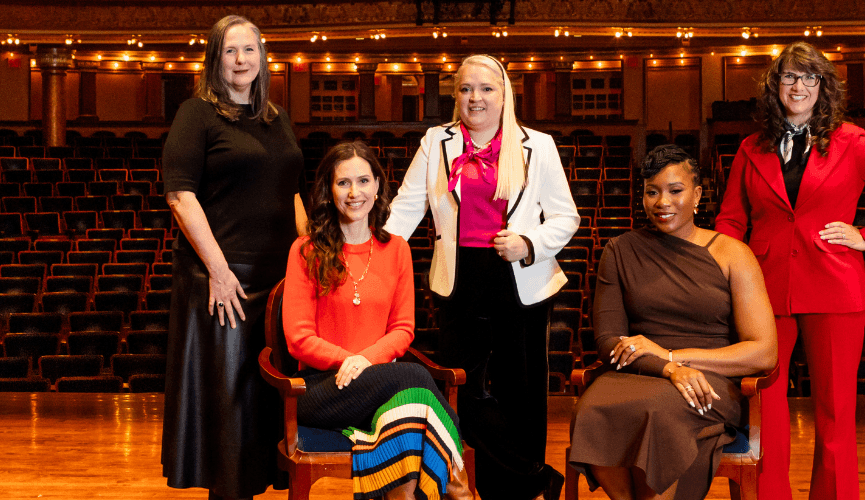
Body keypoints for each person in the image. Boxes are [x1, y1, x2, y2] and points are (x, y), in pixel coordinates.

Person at [715, 42, 865, 500]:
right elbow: (732, 217)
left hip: (835, 286)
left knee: (835, 411)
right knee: (764, 409)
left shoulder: (851, 141)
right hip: (765, 287)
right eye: (790, 77)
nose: (799, 86)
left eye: (809, 77)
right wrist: (729, 266)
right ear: (775, 86)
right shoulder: (750, 148)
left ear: (823, 87)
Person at [383, 53, 580, 500]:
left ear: (504, 93)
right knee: (461, 391)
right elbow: (407, 208)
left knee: (521, 390)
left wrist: (528, 243)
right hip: (459, 278)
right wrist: (369, 252)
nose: (475, 98)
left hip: (521, 278)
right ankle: (532, 475)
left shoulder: (539, 145)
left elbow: (566, 217)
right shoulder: (437, 142)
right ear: (456, 96)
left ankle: (508, 490)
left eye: (486, 89)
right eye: (466, 89)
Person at [567, 145, 778, 500]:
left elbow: (764, 353)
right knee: (592, 408)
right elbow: (607, 340)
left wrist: (676, 357)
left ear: (696, 195)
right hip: (638, 370)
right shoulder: (620, 250)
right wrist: (667, 367)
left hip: (710, 379)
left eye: (675, 191)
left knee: (660, 411)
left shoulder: (732, 254)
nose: (662, 201)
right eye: (652, 192)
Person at [160, 15, 307, 500]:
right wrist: (219, 272)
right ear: (215, 60)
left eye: (249, 50)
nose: (241, 60)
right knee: (231, 403)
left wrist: (307, 256)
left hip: (278, 278)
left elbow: (292, 192)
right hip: (226, 280)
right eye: (230, 51)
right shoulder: (196, 114)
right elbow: (180, 196)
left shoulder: (277, 117)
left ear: (263, 57)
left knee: (269, 400)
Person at [281, 141, 471, 500]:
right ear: (328, 190)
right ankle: (457, 477)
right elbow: (298, 338)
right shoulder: (305, 250)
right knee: (415, 375)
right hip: (321, 389)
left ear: (379, 186)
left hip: (382, 386)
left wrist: (366, 361)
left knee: (410, 411)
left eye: (364, 181)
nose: (355, 193)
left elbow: (403, 329)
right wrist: (348, 361)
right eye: (343, 183)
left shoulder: (397, 249)